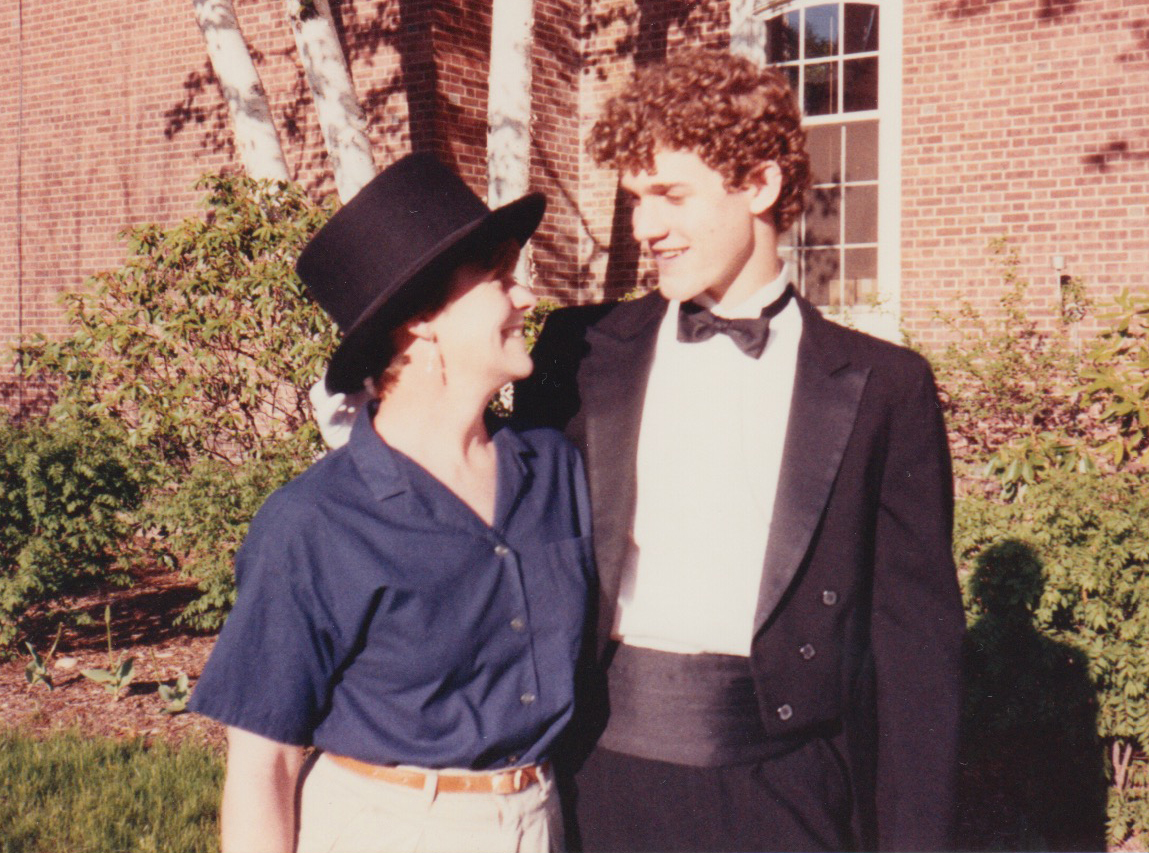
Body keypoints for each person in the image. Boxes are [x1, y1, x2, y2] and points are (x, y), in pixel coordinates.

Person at [513, 50, 965, 852]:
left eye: (671, 195)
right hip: (596, 783)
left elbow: (915, 655)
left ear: (758, 185)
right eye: (636, 199)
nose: (643, 227)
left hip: (788, 793)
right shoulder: (576, 352)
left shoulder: (884, 386)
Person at [189, 153, 594, 853]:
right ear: (424, 319)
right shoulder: (315, 522)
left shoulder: (554, 470)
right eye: (497, 278)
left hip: (540, 819)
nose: (525, 296)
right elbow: (263, 765)